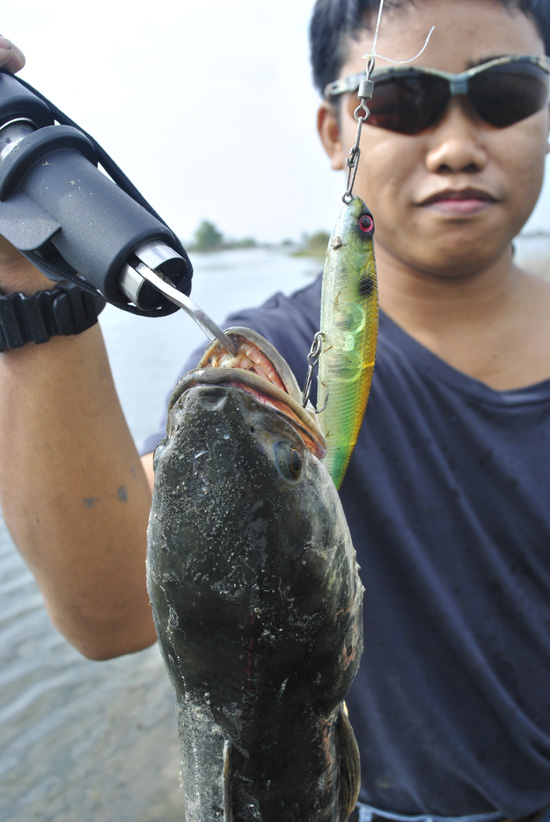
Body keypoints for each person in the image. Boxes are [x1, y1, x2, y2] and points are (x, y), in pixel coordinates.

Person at [0, 0, 549, 818]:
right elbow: (112, 610)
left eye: (506, 93)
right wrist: (26, 284)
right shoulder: (271, 364)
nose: (458, 147)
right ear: (335, 134)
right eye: (400, 101)